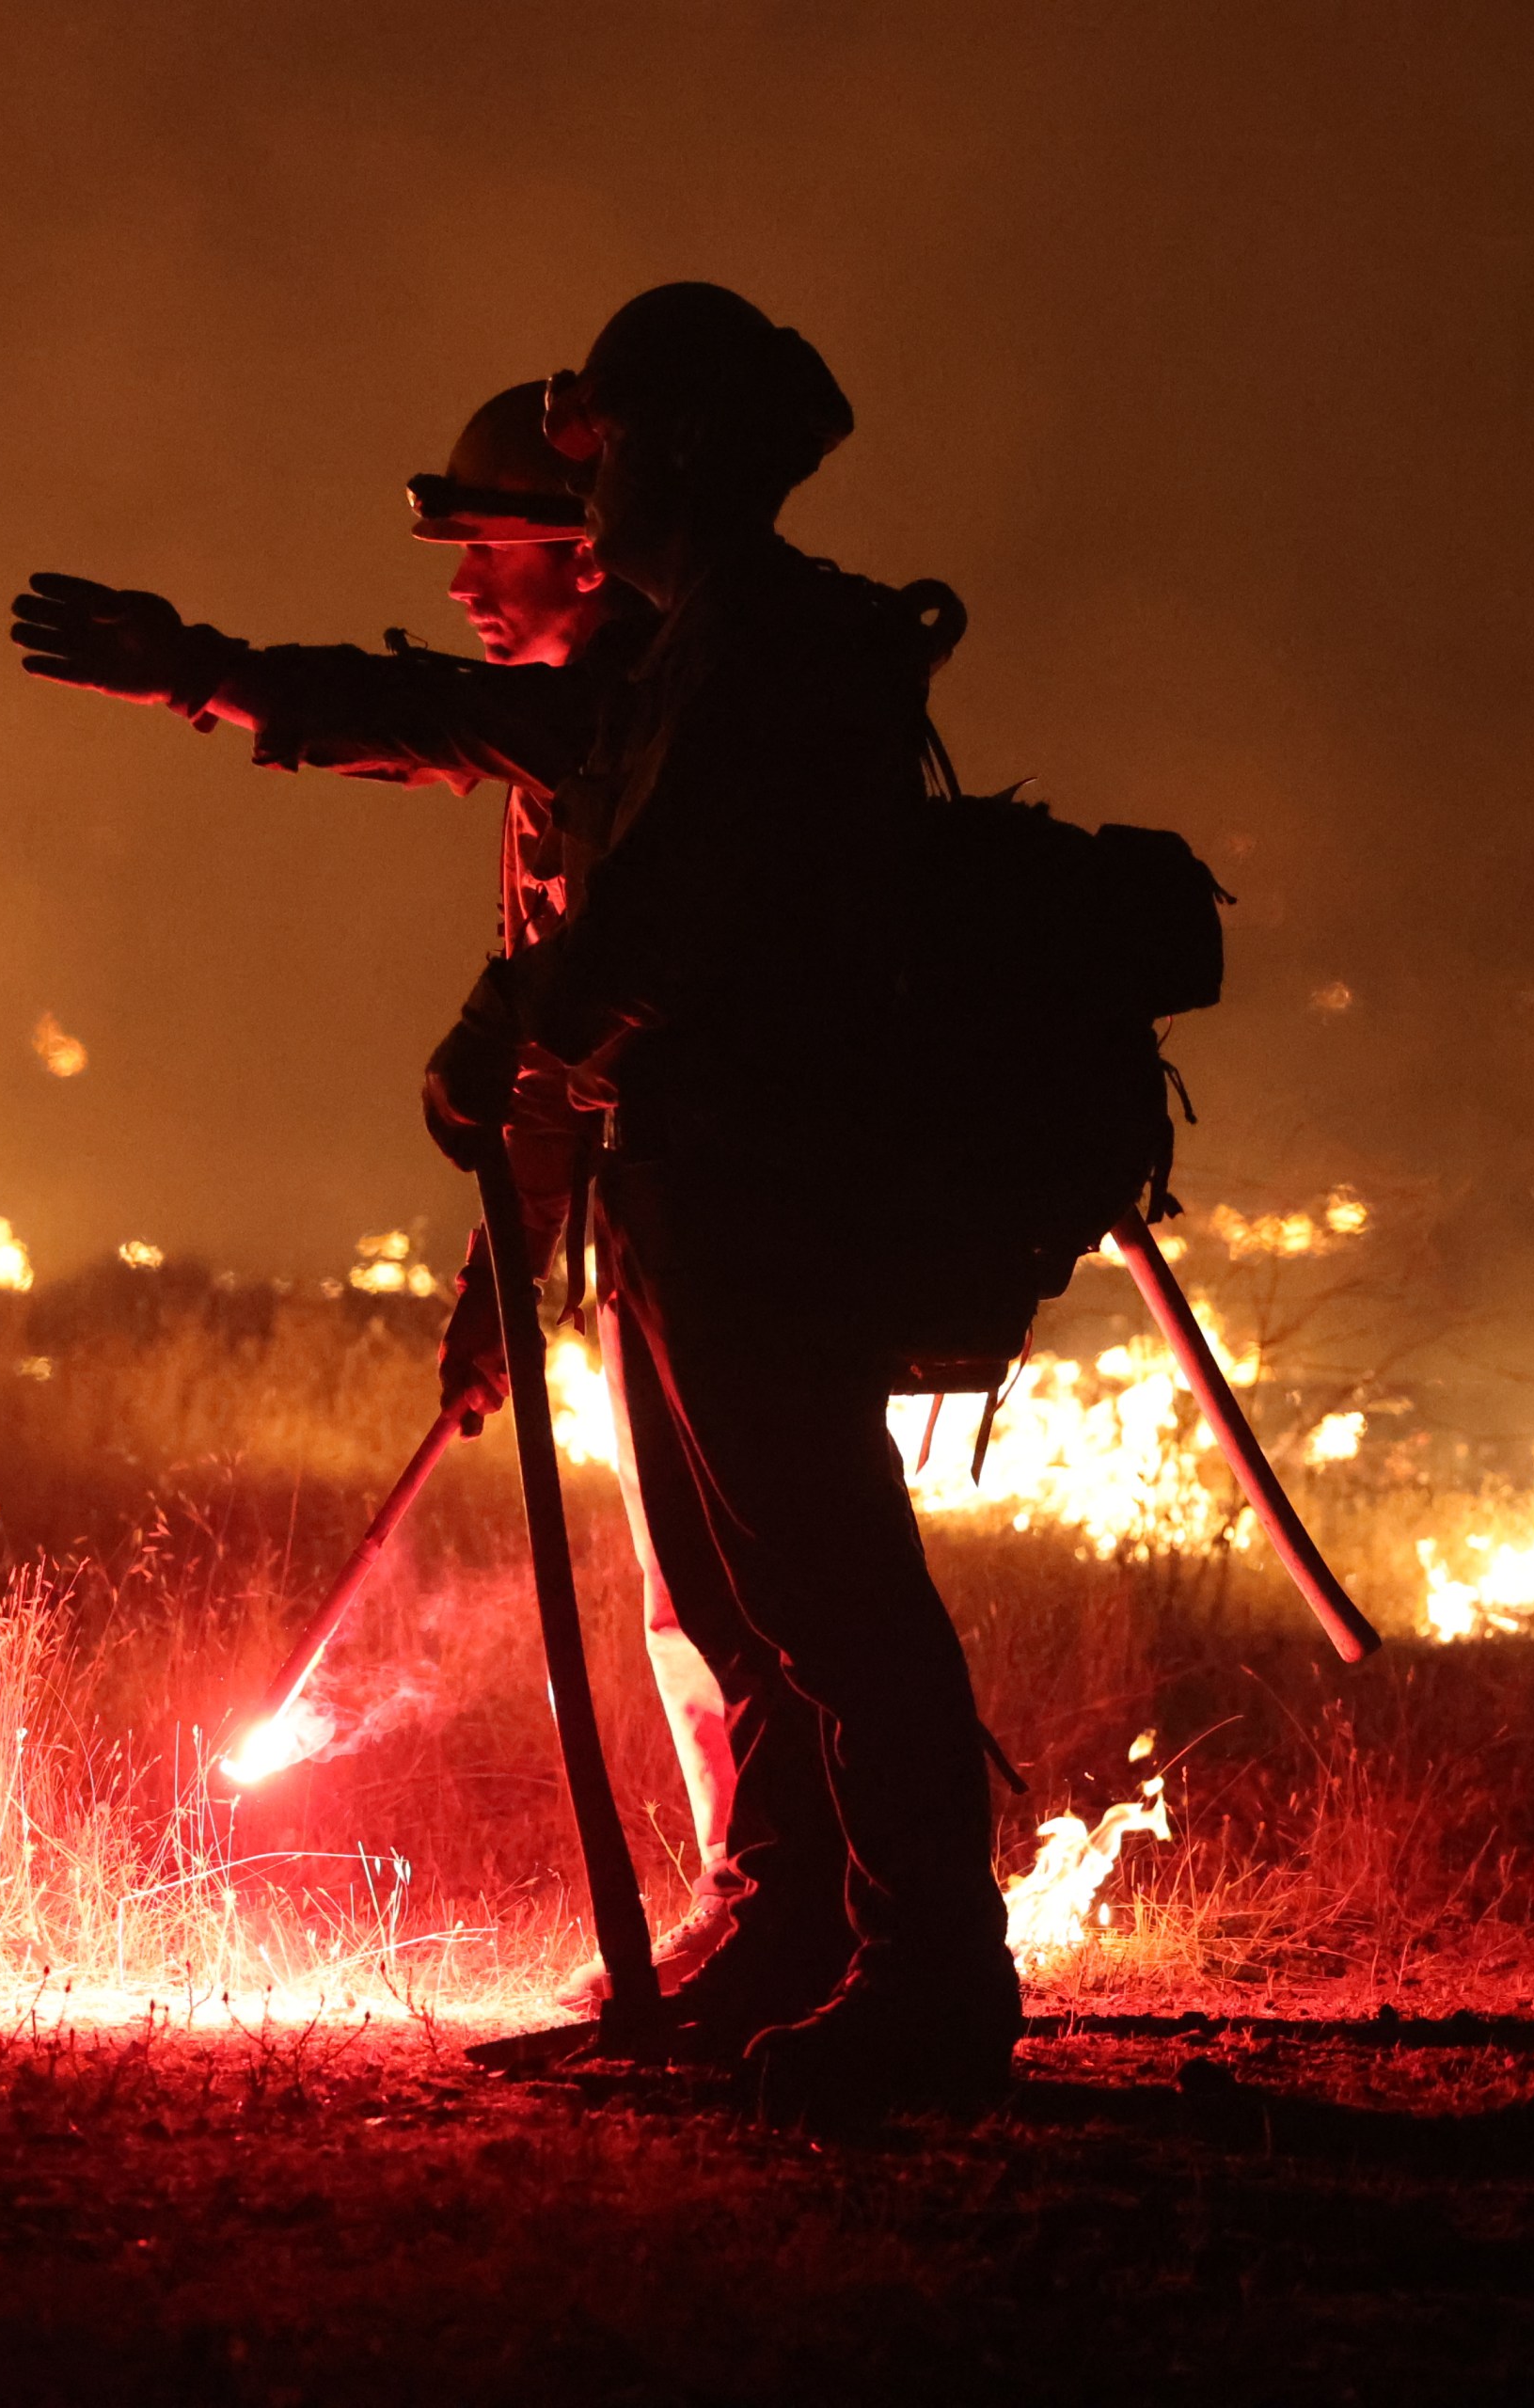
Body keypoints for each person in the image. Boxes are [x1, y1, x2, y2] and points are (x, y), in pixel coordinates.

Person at [6, 386, 751, 2002]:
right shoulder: (579, 758)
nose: (467, 590)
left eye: (491, 550)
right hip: (665, 1216)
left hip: (740, 1210)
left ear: (592, 553)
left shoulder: (637, 714)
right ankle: (767, 1919)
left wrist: (207, 674)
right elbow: (560, 1046)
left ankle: (803, 1934)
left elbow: (430, 731)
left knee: (750, 1594)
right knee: (698, 1599)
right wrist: (503, 1296)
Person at [419, 283, 1020, 2120]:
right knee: (747, 1601)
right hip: (697, 1192)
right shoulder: (709, 645)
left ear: (672, 454)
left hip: (767, 1189)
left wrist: (518, 1029)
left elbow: (669, 909)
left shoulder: (769, 651)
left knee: (825, 1595)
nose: (577, 496)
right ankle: (792, 1939)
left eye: (599, 452)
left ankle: (927, 1975)